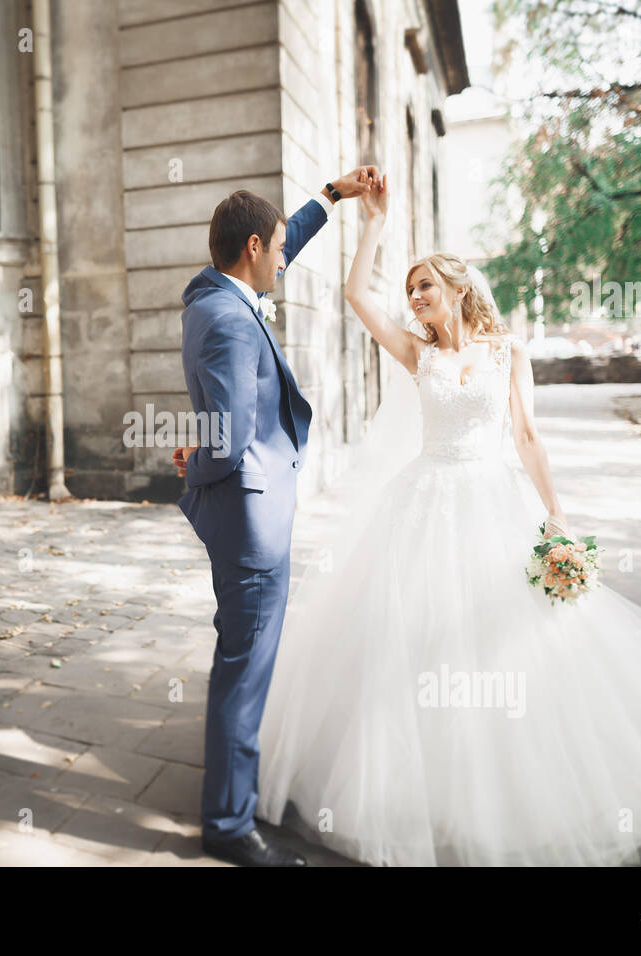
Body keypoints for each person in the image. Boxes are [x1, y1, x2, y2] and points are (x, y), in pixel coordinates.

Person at [253, 174, 641, 866]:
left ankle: (515, 790)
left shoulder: (508, 351)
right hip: (422, 503)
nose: (415, 298)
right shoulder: (419, 353)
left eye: (425, 286)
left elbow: (527, 437)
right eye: (410, 290)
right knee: (409, 643)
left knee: (511, 643)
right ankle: (410, 795)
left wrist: (556, 516)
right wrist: (373, 221)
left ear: (458, 288)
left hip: (495, 504)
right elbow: (357, 297)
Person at [172, 169, 379, 866]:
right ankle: (229, 826)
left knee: (241, 662)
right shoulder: (232, 319)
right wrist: (198, 463)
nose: (286, 260)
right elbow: (231, 440)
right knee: (244, 672)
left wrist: (332, 196)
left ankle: (230, 801)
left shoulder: (213, 296)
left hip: (248, 513)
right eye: (279, 248)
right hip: (252, 525)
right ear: (253, 248)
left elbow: (220, 426)